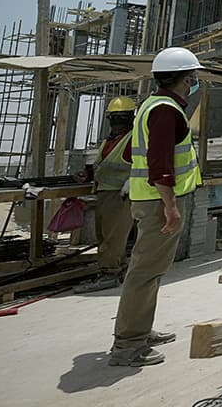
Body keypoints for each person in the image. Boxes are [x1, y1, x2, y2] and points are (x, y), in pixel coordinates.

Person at [108, 47, 204, 367]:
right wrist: (170, 206)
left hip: (148, 200)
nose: (195, 82)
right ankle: (128, 346)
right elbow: (160, 165)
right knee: (145, 273)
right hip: (158, 204)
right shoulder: (166, 110)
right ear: (185, 79)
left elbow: (131, 154)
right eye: (193, 77)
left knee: (151, 271)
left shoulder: (150, 105)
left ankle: (139, 330)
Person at [74, 97, 137, 293]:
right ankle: (120, 268)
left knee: (112, 238)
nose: (117, 123)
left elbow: (143, 165)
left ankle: (109, 274)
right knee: (105, 236)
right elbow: (102, 165)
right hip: (104, 192)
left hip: (119, 194)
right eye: (115, 118)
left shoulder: (133, 139)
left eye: (121, 118)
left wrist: (131, 182)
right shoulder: (110, 140)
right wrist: (88, 174)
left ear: (130, 118)